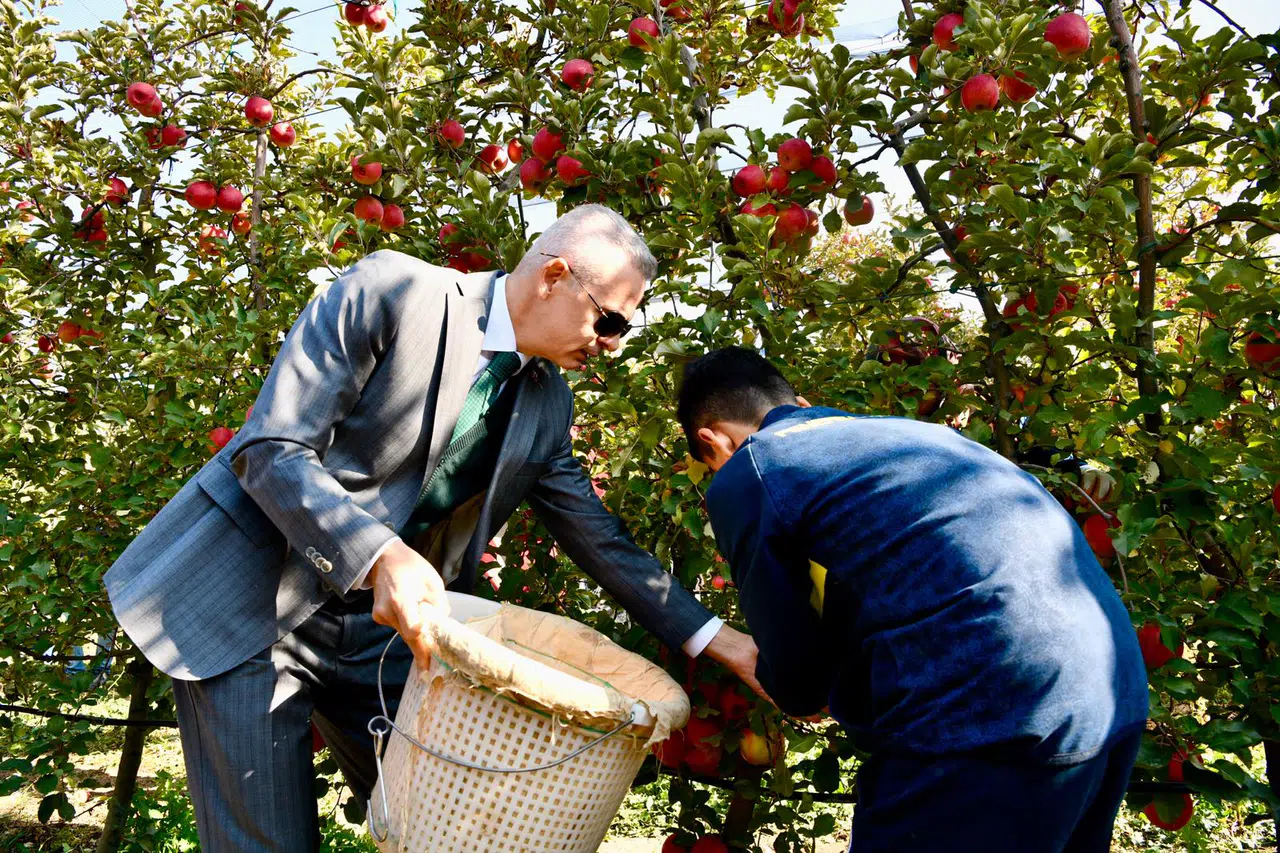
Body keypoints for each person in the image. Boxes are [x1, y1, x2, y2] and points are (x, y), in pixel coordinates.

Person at [105, 205, 761, 852]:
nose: (613, 344)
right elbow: (271, 447)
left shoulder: (547, 400)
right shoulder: (395, 289)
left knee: (462, 829)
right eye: (611, 319)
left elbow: (597, 535)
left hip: (381, 633)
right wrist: (379, 553)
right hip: (249, 601)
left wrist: (724, 641)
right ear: (555, 275)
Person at [675, 346, 1148, 853]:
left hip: (989, 708)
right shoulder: (918, 438)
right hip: (1113, 689)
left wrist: (789, 682)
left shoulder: (753, 469)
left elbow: (798, 677)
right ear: (802, 403)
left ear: (714, 439)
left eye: (713, 463)